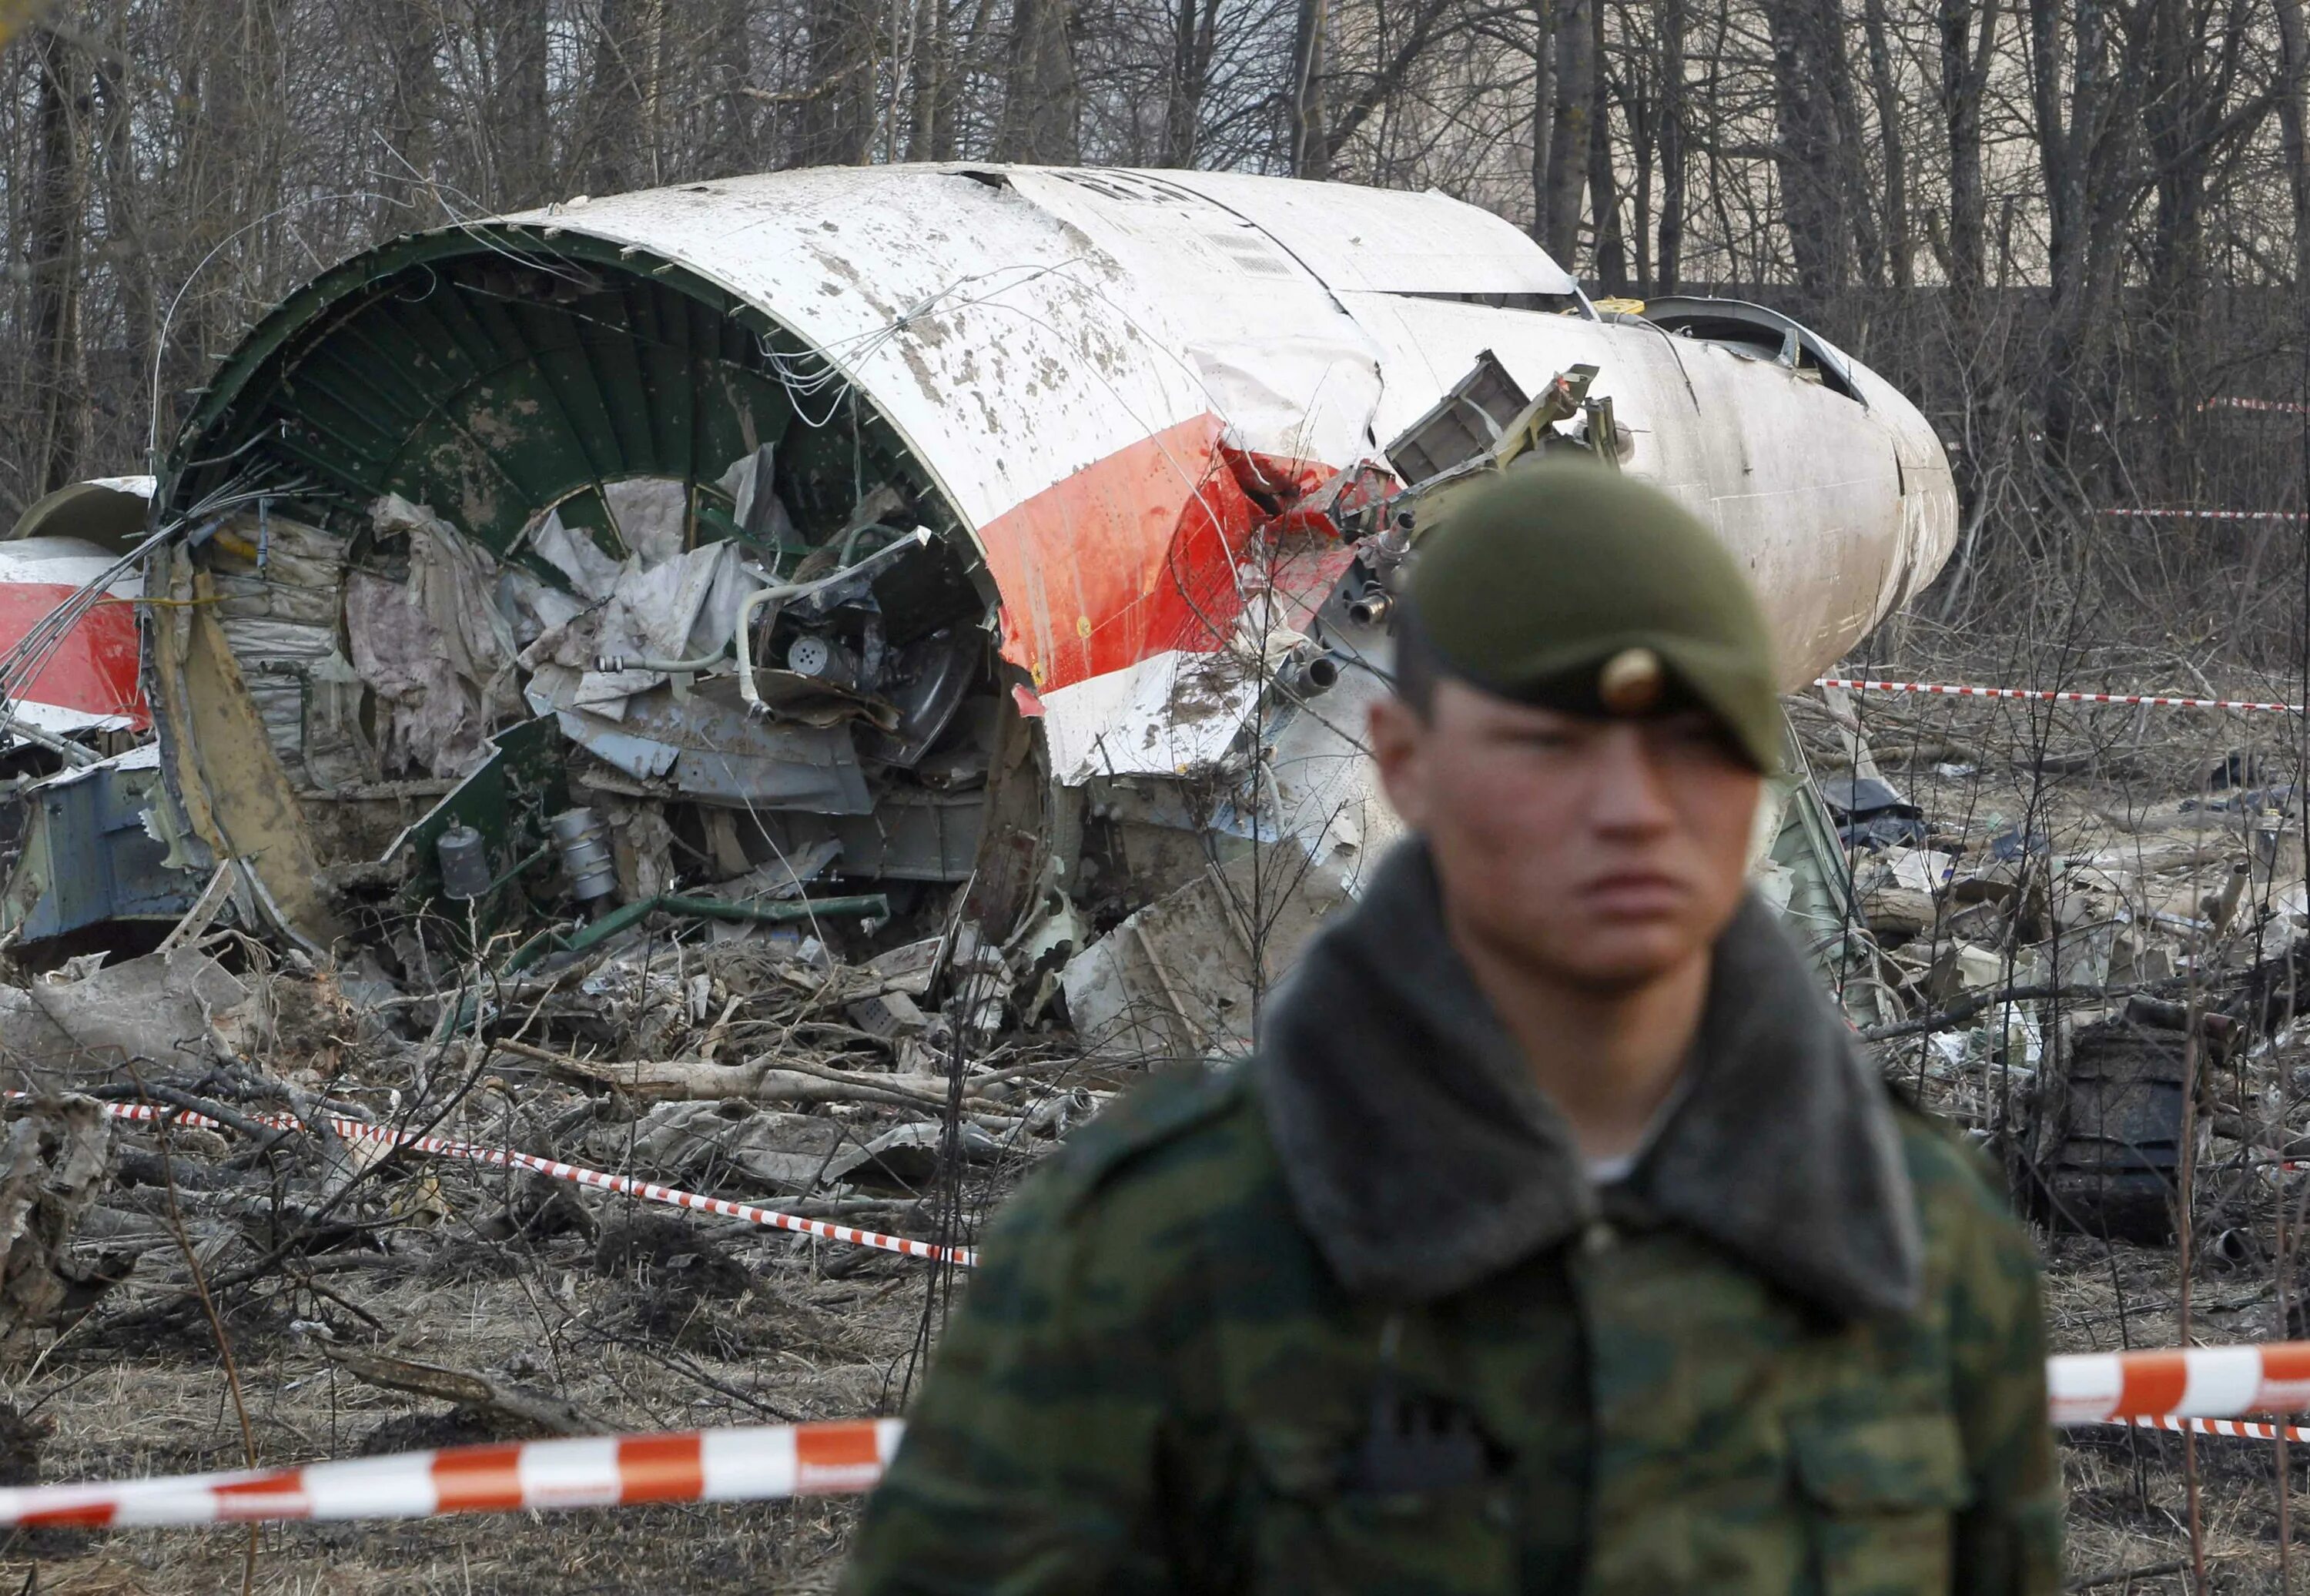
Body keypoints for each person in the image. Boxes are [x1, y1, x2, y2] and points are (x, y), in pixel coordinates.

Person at [842, 460, 2062, 1594]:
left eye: (1692, 741)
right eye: (1552, 744)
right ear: (1407, 761)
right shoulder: (1165, 1250)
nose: (1633, 808)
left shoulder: (1919, 1237)